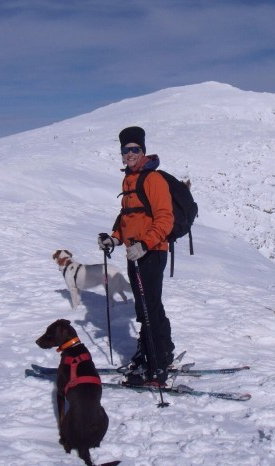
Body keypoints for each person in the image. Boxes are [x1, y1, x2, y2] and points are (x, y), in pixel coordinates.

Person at [98, 126, 175, 387]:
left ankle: (156, 366)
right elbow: (128, 219)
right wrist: (114, 239)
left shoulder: (153, 179)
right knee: (146, 307)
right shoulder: (129, 180)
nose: (129, 153)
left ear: (142, 151)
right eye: (125, 149)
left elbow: (165, 219)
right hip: (135, 254)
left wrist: (144, 244)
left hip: (151, 253)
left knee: (149, 308)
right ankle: (160, 352)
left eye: (134, 149)